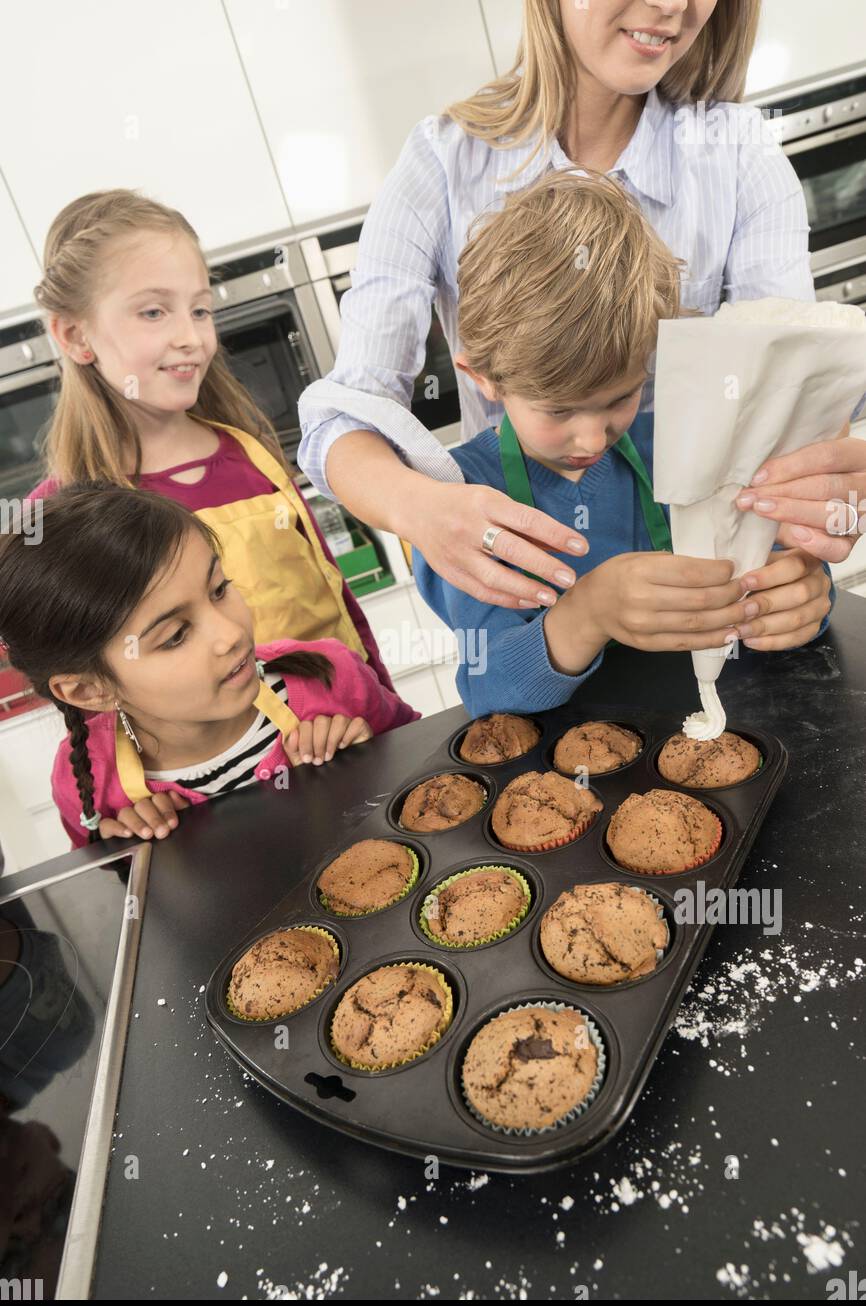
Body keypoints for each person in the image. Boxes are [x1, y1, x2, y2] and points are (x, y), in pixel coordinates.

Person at [298, 0, 866, 612]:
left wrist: (805, 549)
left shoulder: (739, 154)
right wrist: (424, 510)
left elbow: (793, 402)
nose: (674, 5)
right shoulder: (443, 164)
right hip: (541, 609)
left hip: (725, 593)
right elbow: (345, 415)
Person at [414, 171, 832, 715]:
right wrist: (589, 613)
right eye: (559, 409)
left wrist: (801, 598)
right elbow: (489, 692)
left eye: (620, 397)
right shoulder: (460, 500)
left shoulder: (686, 445)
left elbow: (781, 571)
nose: (591, 437)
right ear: (483, 378)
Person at [28, 189, 394, 691]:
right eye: (154, 312)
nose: (192, 337)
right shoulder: (62, 517)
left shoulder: (251, 453)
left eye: (200, 310)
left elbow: (341, 610)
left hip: (358, 734)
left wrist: (384, 705)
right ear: (75, 337)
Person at [0, 486, 417, 847]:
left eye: (219, 589)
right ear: (89, 691)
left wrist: (370, 756)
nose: (230, 634)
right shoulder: (87, 779)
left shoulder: (332, 677)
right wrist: (125, 849)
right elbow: (108, 891)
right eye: (176, 635)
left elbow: (425, 760)